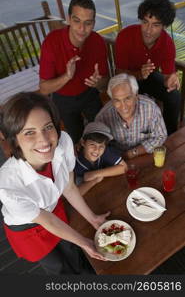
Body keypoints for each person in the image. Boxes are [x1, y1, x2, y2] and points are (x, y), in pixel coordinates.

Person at [0, 92, 110, 275]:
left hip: (53, 208)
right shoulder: (7, 186)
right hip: (27, 226)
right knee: (58, 267)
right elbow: (47, 221)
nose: (44, 140)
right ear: (15, 140)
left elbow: (68, 186)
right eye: (29, 132)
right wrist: (85, 242)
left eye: (48, 127)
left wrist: (93, 218)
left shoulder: (63, 141)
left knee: (73, 251)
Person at [39, 0, 109, 144]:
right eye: (77, 21)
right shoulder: (52, 42)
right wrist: (67, 76)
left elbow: (105, 84)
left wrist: (98, 83)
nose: (82, 29)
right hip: (63, 99)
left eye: (88, 23)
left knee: (102, 133)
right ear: (68, 19)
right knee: (75, 140)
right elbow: (44, 88)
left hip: (90, 94)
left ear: (93, 23)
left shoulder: (98, 42)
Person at [115, 0, 181, 135]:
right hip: (126, 80)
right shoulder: (125, 36)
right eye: (145, 22)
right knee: (132, 105)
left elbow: (168, 75)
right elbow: (118, 73)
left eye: (155, 25)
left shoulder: (167, 43)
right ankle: (127, 137)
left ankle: (170, 135)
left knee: (174, 96)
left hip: (149, 77)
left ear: (164, 26)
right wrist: (139, 74)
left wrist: (171, 80)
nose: (148, 30)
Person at [95, 73, 167, 159]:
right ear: (112, 100)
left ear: (136, 95)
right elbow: (98, 147)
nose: (123, 106)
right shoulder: (102, 118)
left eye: (127, 98)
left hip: (145, 155)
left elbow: (160, 136)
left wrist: (131, 153)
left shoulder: (150, 108)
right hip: (115, 161)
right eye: (117, 100)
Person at [74, 121, 127, 196]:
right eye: (92, 144)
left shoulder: (104, 151)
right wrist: (94, 181)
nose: (97, 150)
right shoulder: (74, 161)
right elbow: (74, 195)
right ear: (83, 143)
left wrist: (95, 174)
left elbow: (124, 167)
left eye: (101, 146)